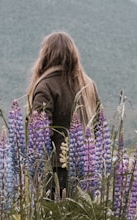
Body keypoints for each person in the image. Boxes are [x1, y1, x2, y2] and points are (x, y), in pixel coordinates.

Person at [27, 31, 101, 198]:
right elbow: (99, 127)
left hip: (55, 171)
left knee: (54, 219)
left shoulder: (45, 86)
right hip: (87, 169)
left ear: (46, 55)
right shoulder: (88, 84)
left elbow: (39, 133)